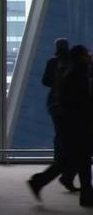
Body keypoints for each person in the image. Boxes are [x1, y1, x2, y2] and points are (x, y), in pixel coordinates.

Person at [28, 45, 93, 207]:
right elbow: (81, 101)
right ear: (81, 57)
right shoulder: (78, 74)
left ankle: (41, 181)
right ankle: (40, 181)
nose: (89, 57)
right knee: (78, 159)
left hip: (74, 123)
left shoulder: (74, 72)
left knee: (75, 159)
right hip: (79, 124)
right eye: (86, 55)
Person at [40, 38, 78, 191]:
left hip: (55, 104)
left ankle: (59, 161)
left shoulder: (52, 62)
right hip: (71, 105)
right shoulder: (73, 63)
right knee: (74, 140)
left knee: (60, 135)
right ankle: (65, 169)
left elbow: (45, 81)